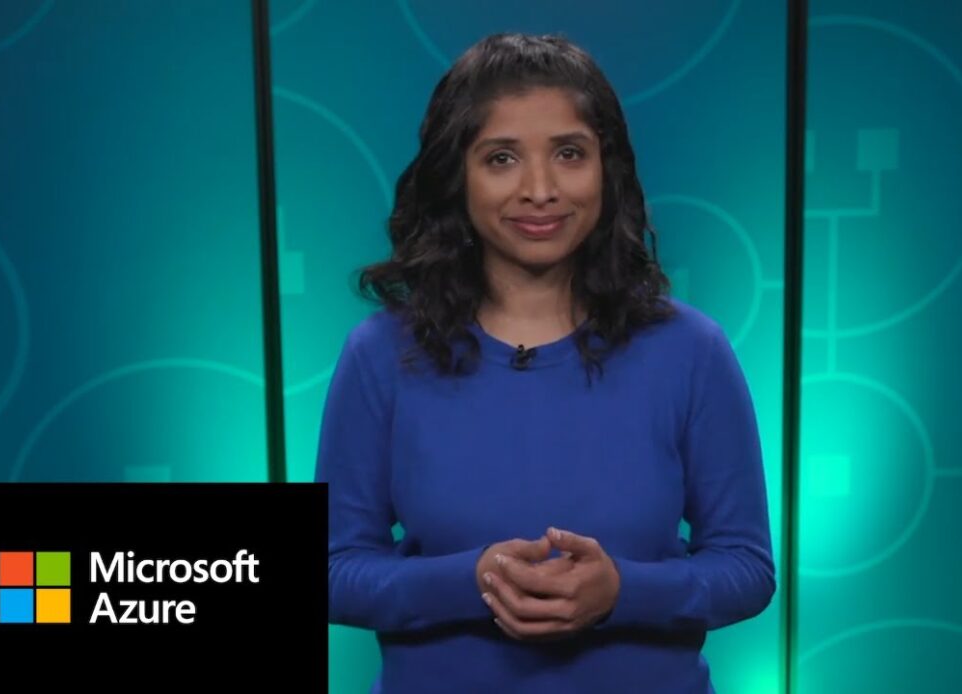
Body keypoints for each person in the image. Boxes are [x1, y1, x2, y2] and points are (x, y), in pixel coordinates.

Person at [315, 32, 775, 694]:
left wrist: (621, 592)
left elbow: (746, 567)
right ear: (457, 176)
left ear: (607, 170)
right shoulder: (381, 355)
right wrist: (473, 580)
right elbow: (334, 569)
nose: (540, 189)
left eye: (569, 153)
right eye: (501, 158)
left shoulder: (691, 351)